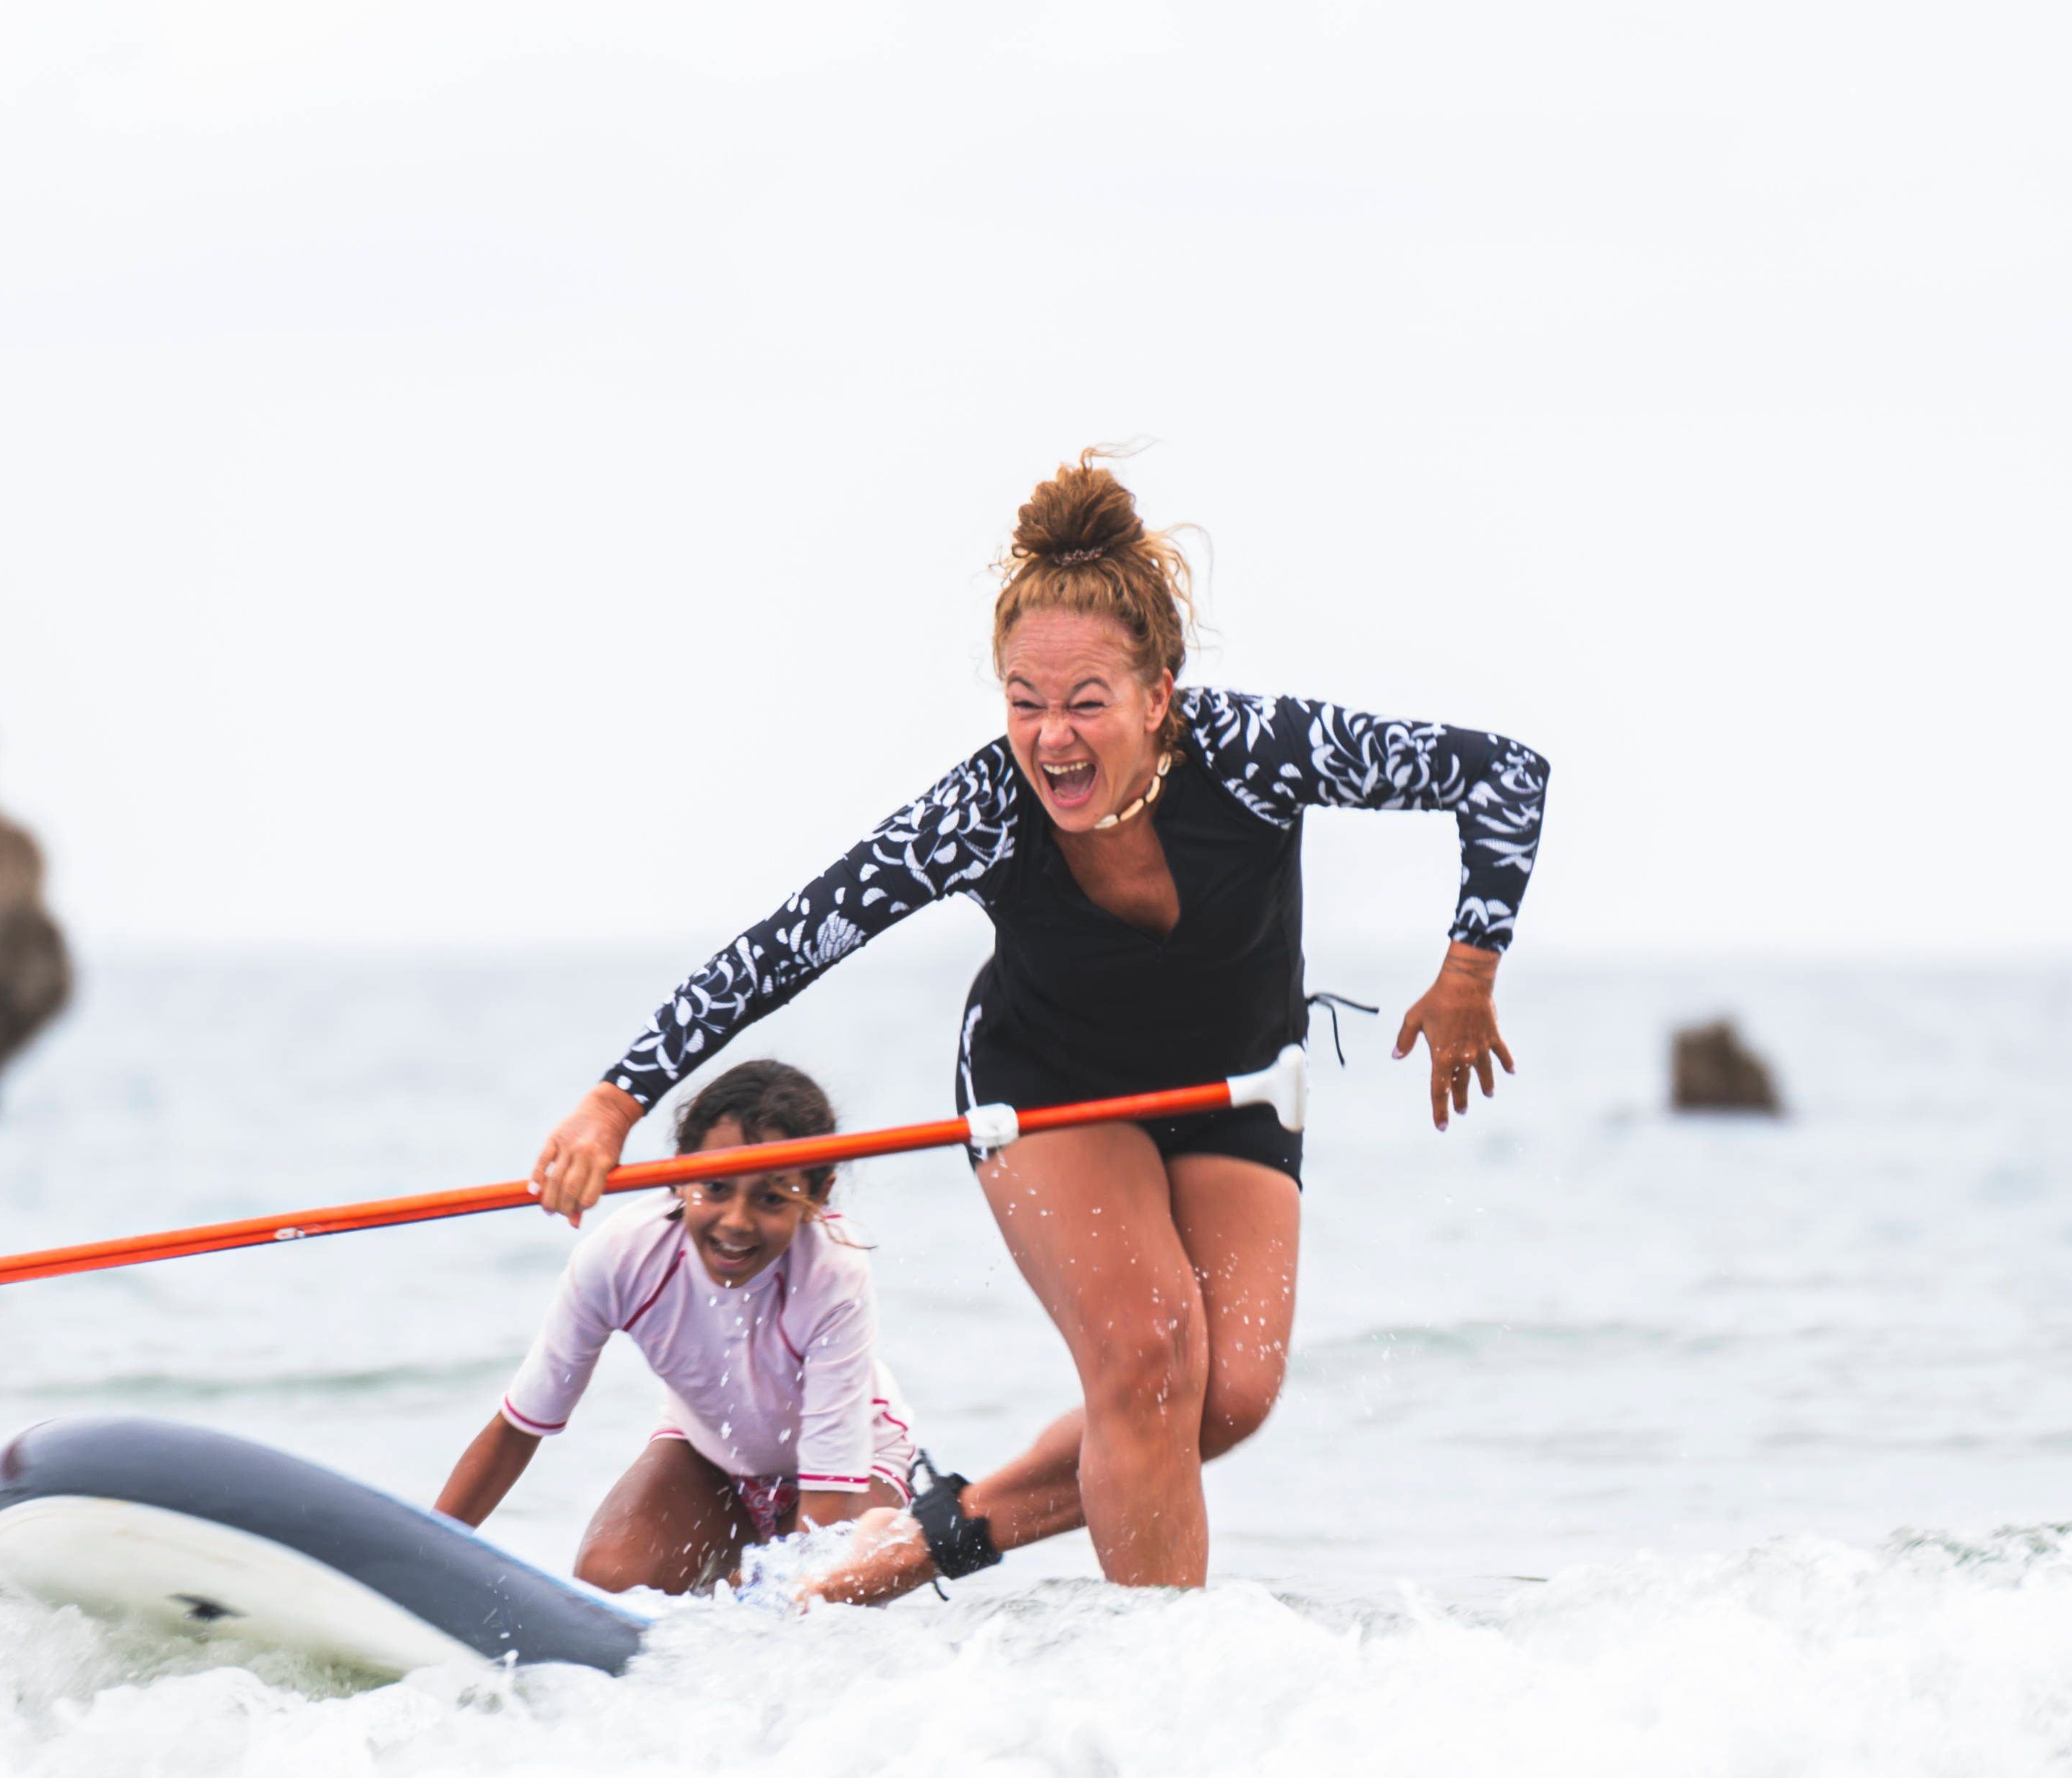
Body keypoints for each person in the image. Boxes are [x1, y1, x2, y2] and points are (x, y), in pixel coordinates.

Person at [524, 454, 1550, 1599]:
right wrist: (618, 1094)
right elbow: (789, 940)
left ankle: (922, 1540)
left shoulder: (1260, 753)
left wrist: (1470, 963)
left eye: (1085, 701)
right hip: (1050, 1086)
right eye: (1024, 701)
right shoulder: (983, 811)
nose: (1051, 737)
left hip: (1232, 1085)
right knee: (1148, 1360)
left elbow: (1503, 776)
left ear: (1159, 694)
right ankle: (1164, 1681)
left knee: (1231, 1396)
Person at [439, 1058, 914, 1593]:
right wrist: (422, 1558)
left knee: (787, 1602)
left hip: (857, 1468)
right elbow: (519, 1427)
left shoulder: (833, 1271)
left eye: (771, 1197)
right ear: (677, 1173)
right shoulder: (622, 1255)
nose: (735, 1221)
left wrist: (766, 1596)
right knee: (610, 1582)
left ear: (819, 1194)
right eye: (714, 1186)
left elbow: (825, 1511)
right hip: (708, 1451)